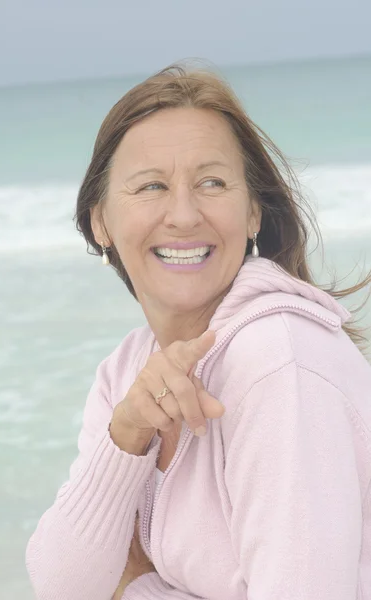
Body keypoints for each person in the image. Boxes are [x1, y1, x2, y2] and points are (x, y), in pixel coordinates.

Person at [25, 63, 371, 600]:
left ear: (253, 211)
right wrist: (127, 438)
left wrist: (137, 584)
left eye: (212, 182)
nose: (183, 215)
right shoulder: (128, 369)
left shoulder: (281, 362)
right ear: (101, 222)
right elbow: (61, 586)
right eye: (151, 186)